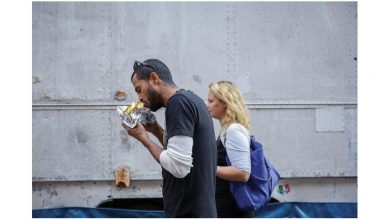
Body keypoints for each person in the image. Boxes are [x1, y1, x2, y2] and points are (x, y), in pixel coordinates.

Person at [122, 59, 217, 218]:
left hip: (189, 212)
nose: (139, 98)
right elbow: (184, 153)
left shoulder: (177, 104)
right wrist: (156, 130)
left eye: (139, 89)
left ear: (154, 78)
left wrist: (143, 137)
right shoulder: (190, 99)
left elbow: (178, 166)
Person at [207, 80, 255, 218]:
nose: (207, 105)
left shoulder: (234, 130)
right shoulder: (227, 129)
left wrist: (208, 168)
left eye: (211, 101)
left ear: (225, 103)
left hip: (232, 206)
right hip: (227, 202)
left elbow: (242, 173)